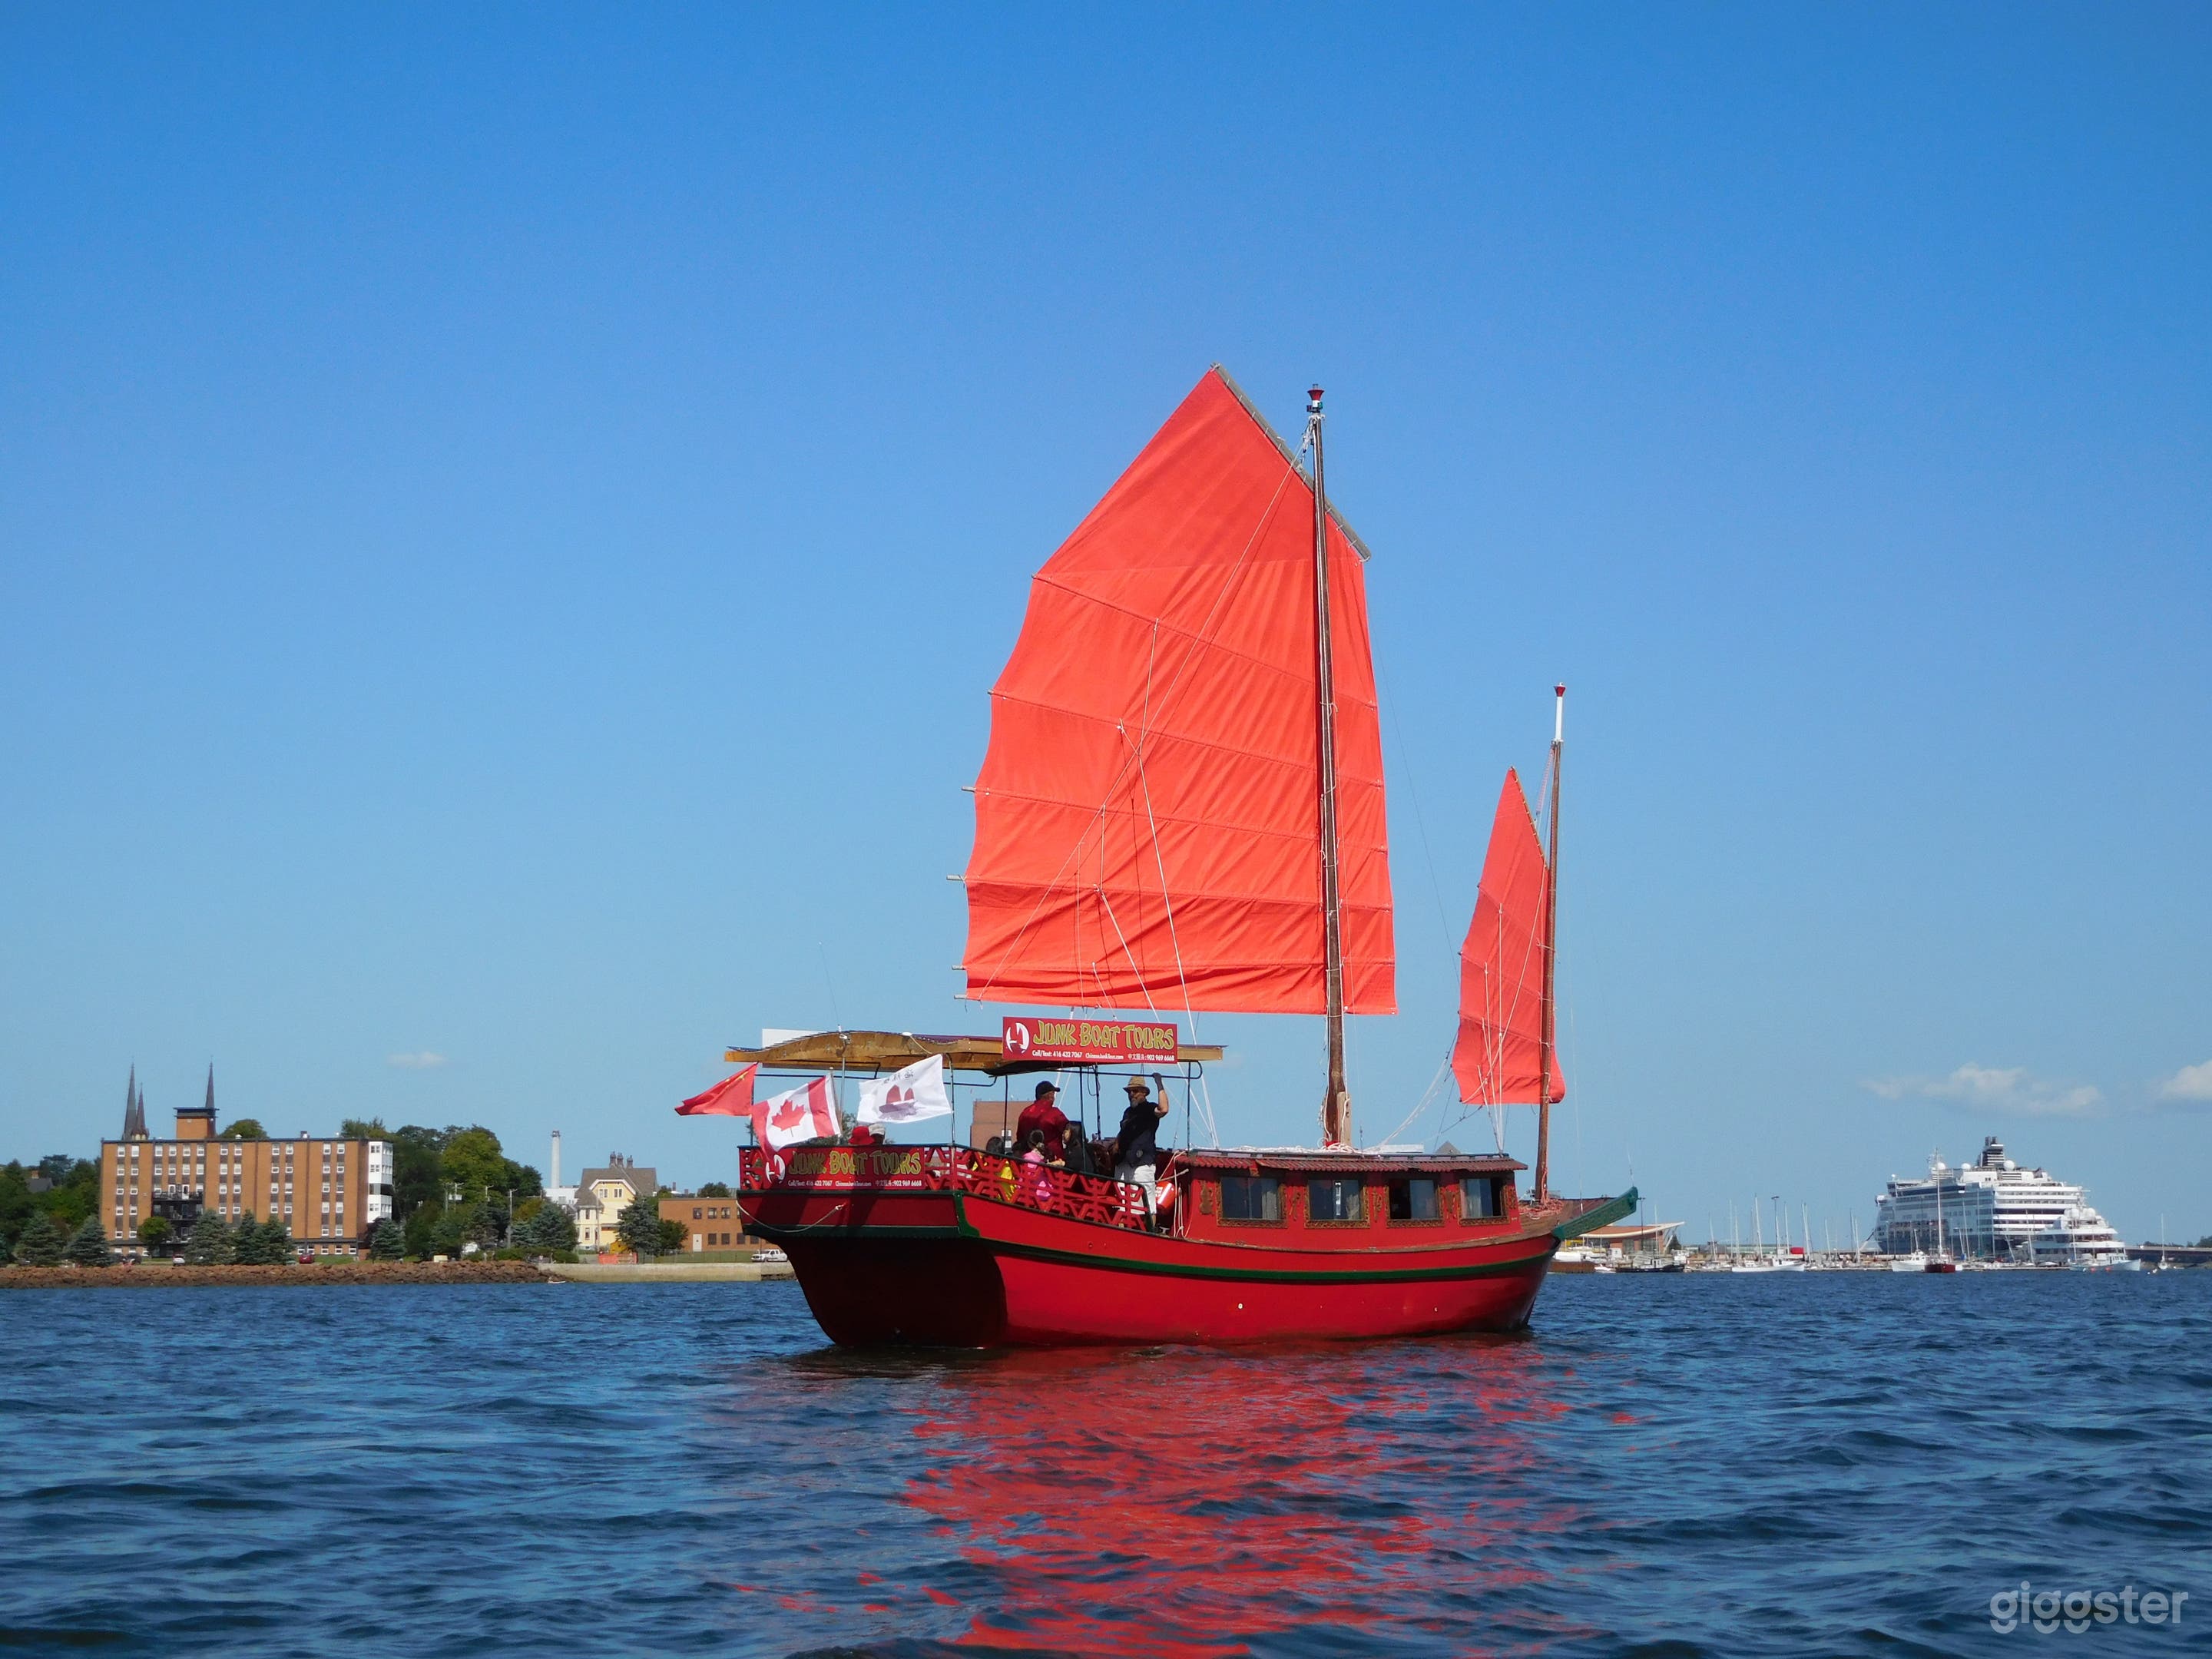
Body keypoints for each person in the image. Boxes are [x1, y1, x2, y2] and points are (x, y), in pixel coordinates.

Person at [1114, 1075, 1171, 1227]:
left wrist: (1159, 1083)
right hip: (1124, 1160)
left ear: (1144, 1093)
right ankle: (1124, 1229)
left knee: (1147, 1200)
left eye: (1135, 1091)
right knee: (1123, 1201)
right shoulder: (1128, 1112)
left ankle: (1150, 1232)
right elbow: (1123, 1130)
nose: (1131, 1094)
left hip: (1142, 1162)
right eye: (1129, 1092)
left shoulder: (1149, 1108)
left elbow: (1164, 1109)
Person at [1015, 1080, 1070, 1161]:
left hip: (1028, 1163)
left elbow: (1020, 1138)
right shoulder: (1054, 1113)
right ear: (1050, 1095)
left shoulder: (1025, 1113)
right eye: (1053, 1094)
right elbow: (1070, 1131)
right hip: (1052, 1163)